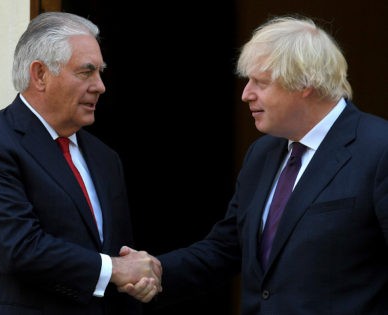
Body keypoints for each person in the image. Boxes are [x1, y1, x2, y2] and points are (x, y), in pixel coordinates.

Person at [124, 15, 388, 314]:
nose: (246, 94)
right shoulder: (262, 153)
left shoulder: (379, 150)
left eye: (261, 83)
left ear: (305, 83)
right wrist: (153, 272)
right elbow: (227, 248)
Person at [0, 12, 162, 315]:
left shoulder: (105, 158)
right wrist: (115, 269)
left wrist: (136, 279)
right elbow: (17, 248)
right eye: (86, 72)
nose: (100, 86)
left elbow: (120, 256)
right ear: (40, 74)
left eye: (100, 72)